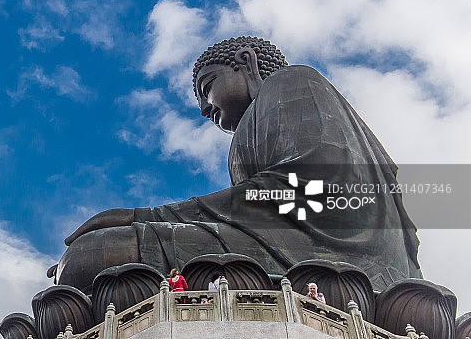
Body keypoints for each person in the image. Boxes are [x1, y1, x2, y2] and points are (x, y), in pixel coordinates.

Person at [55, 37, 421, 294]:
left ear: (247, 63)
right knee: (91, 257)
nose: (204, 109)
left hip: (342, 258)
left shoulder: (294, 82)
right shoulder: (250, 128)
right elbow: (254, 211)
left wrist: (147, 217)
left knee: (90, 256)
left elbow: (317, 187)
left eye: (208, 86)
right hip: (281, 245)